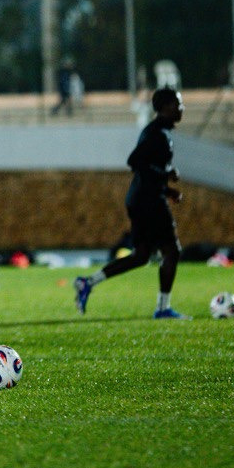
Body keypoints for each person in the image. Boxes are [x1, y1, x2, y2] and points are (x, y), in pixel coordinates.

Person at [73, 87, 189, 319]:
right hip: (148, 202)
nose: (181, 108)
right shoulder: (157, 134)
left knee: (142, 256)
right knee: (172, 251)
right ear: (165, 107)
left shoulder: (159, 132)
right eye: (177, 104)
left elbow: (146, 171)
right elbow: (135, 161)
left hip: (142, 198)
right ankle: (163, 308)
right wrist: (166, 174)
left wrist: (167, 189)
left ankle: (88, 282)